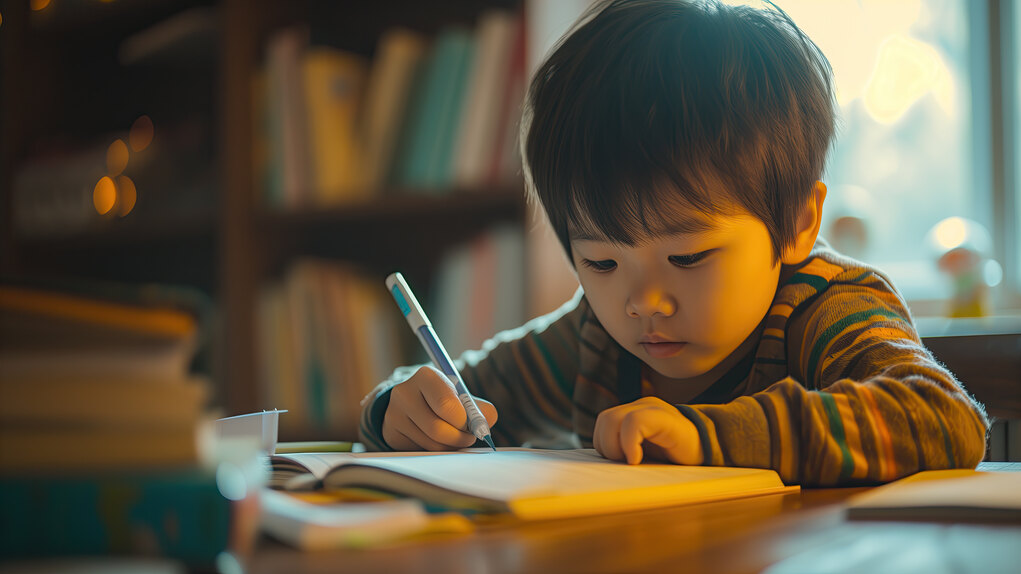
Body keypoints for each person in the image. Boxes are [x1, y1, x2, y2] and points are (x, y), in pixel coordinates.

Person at [358, 0, 988, 485]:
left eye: (687, 256)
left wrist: (707, 436)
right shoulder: (594, 340)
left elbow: (943, 419)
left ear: (797, 223)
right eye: (601, 261)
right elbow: (460, 393)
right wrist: (400, 410)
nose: (643, 302)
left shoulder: (826, 308)